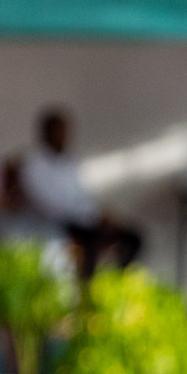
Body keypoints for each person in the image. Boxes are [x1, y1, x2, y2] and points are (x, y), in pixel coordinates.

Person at [18, 107, 141, 277]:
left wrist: (99, 214)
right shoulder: (34, 164)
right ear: (46, 132)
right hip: (54, 222)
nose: (63, 136)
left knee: (132, 237)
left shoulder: (70, 162)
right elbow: (49, 204)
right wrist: (92, 217)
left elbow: (81, 196)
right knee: (94, 238)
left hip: (81, 218)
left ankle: (116, 281)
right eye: (58, 131)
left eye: (65, 131)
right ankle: (87, 288)